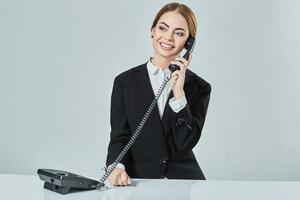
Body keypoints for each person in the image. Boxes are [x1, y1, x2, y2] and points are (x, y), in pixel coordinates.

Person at [105, 2, 211, 186]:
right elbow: (120, 136)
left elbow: (186, 143)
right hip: (139, 180)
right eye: (163, 28)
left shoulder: (199, 87)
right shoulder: (125, 82)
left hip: (185, 183)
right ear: (152, 31)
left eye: (179, 33)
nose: (168, 37)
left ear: (188, 43)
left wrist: (179, 94)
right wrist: (117, 166)